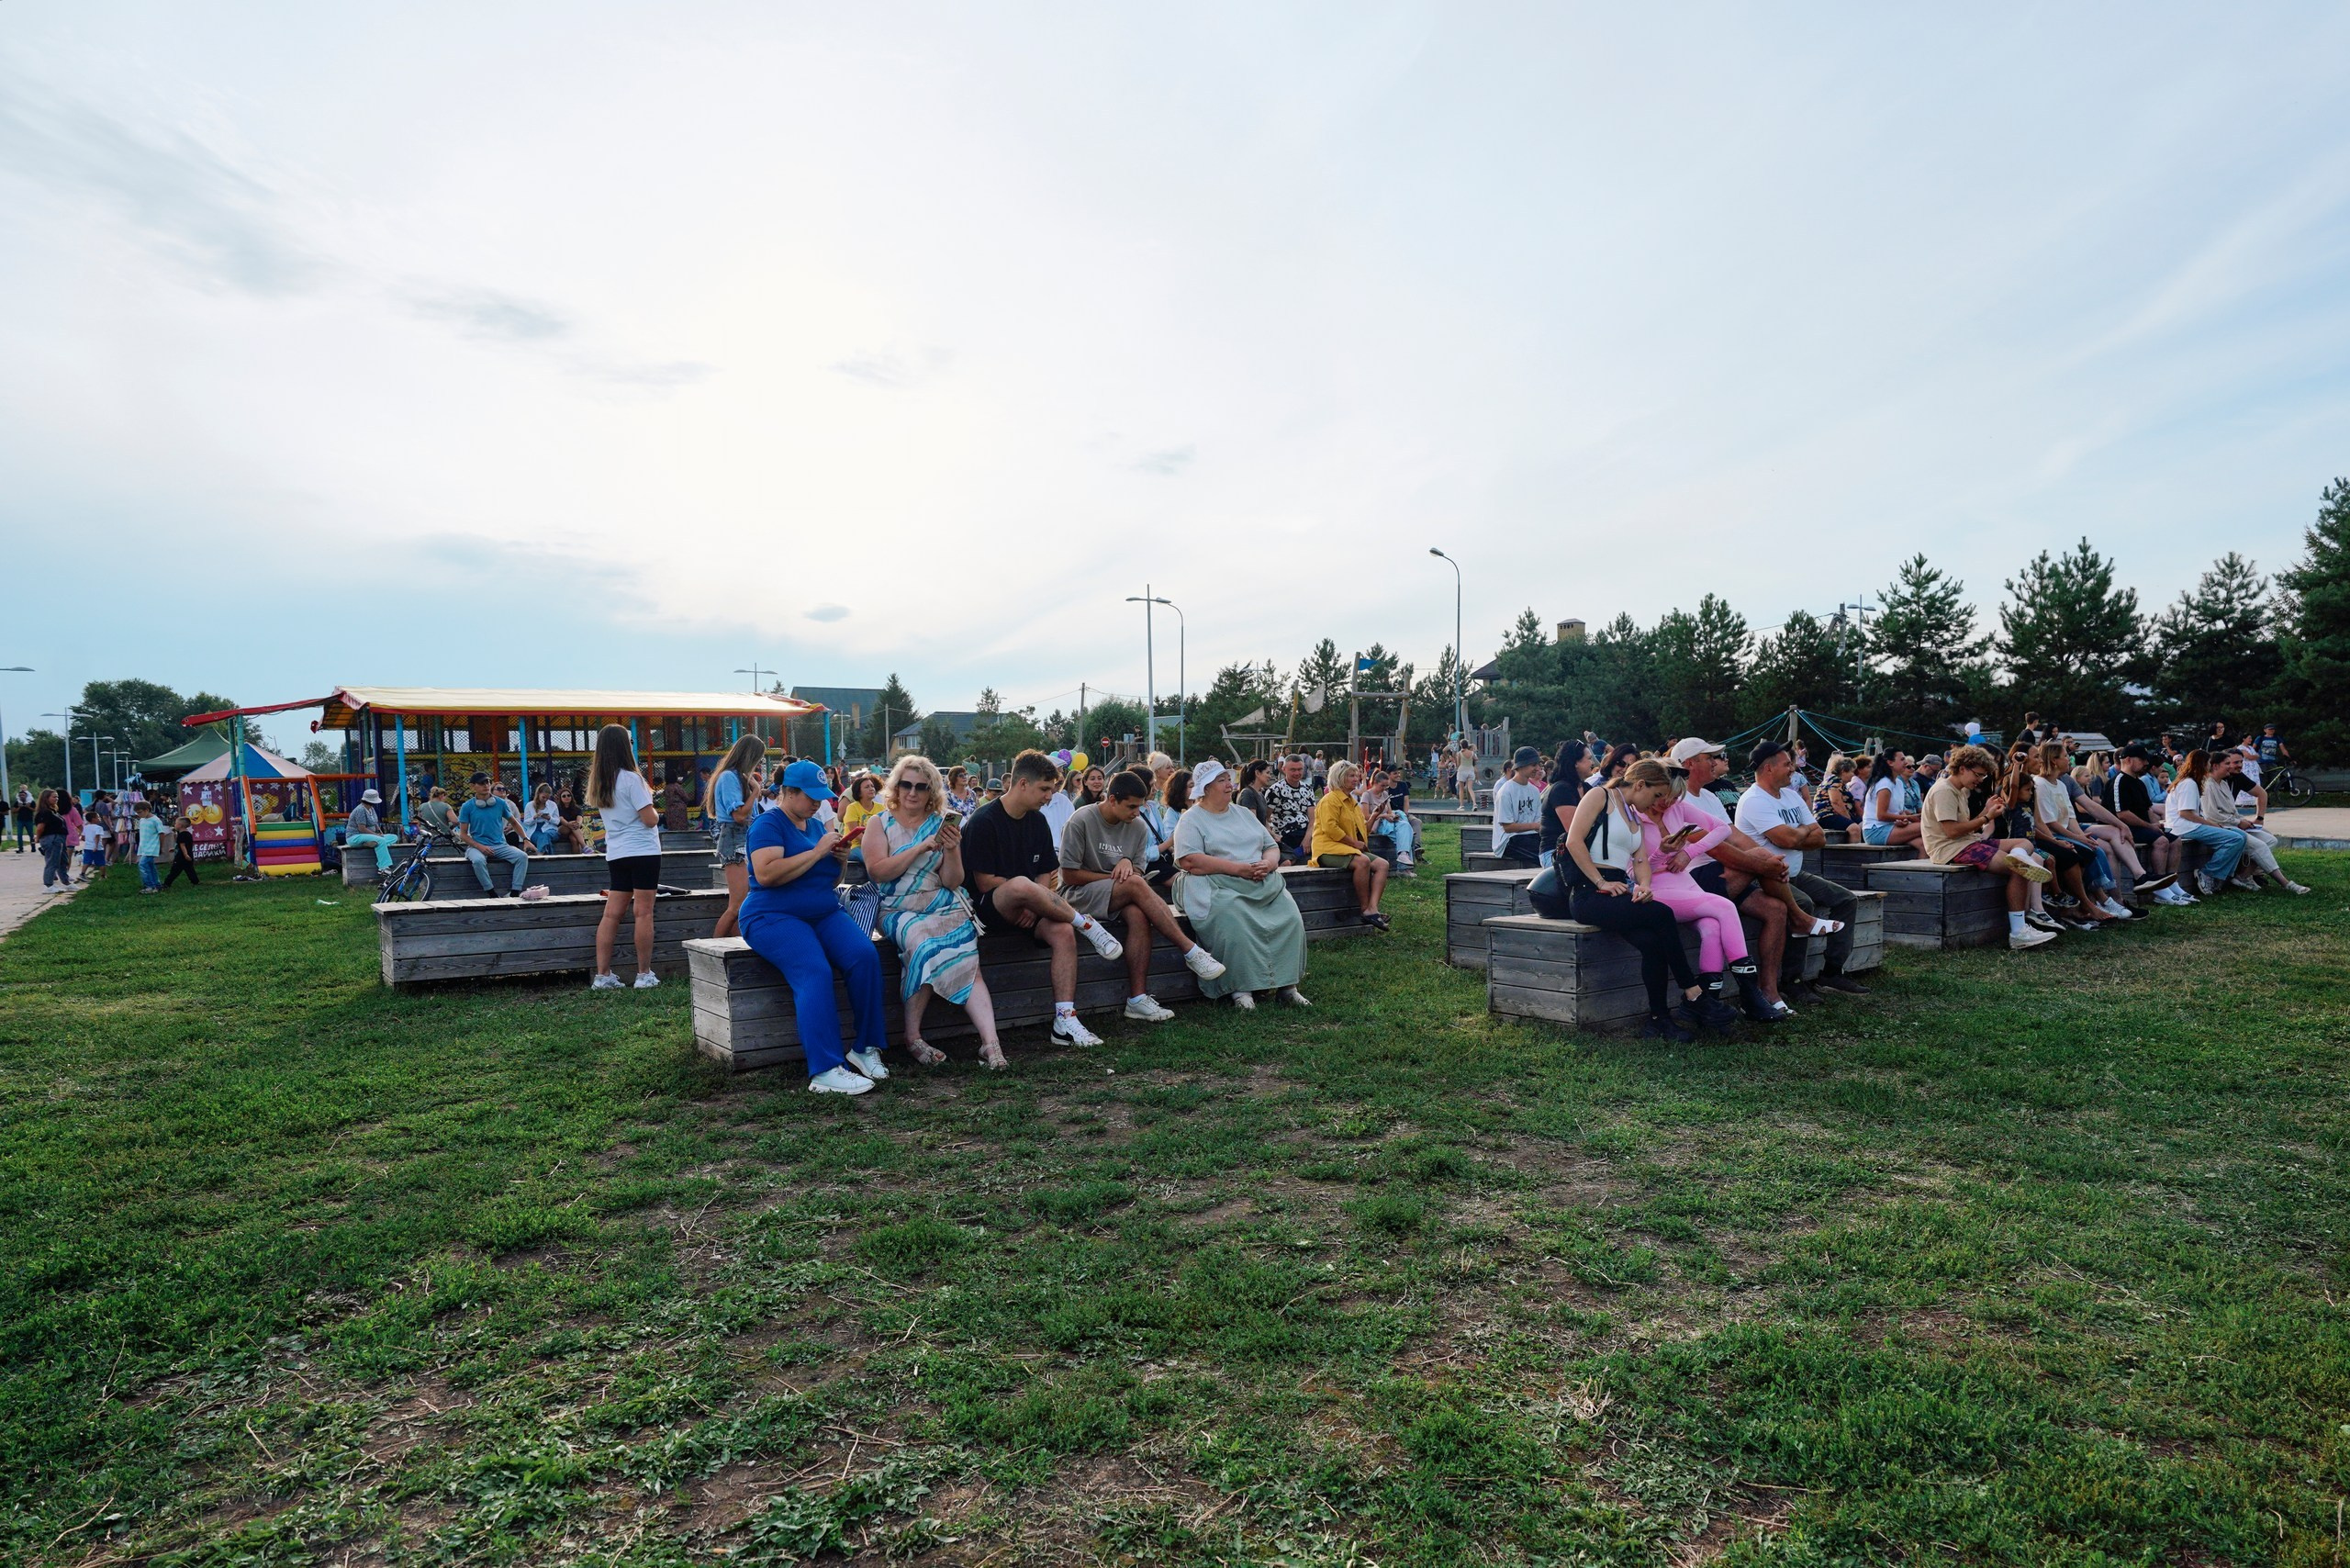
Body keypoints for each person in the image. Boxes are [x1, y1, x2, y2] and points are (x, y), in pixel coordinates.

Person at [739, 759, 891, 1093]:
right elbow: (766, 875)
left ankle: (865, 1048)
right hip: (772, 915)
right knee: (814, 970)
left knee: (864, 956)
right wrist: (820, 850)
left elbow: (828, 880)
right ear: (788, 792)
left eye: (821, 797)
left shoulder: (813, 826)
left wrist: (837, 860)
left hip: (822, 910)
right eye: (810, 796)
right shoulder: (768, 825)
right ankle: (825, 1069)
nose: (817, 803)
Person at [958, 749, 1126, 1048]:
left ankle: (1065, 1021)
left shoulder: (1036, 821)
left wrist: (1033, 903)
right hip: (986, 912)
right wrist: (1028, 896)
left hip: (1029, 908)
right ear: (1022, 784)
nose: (1050, 797)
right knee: (1021, 885)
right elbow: (984, 882)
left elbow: (1046, 874)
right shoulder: (983, 821)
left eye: (1052, 790)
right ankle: (1086, 925)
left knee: (1062, 931)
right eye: (1044, 789)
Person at [1539, 757, 1715, 1040]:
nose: (1658, 802)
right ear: (1641, 784)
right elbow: (1574, 841)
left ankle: (1659, 1021)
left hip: (1618, 890)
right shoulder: (1601, 795)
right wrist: (1600, 881)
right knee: (1663, 914)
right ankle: (1693, 991)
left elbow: (1641, 859)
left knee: (1653, 944)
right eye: (1656, 795)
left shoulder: (1633, 813)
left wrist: (1644, 885)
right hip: (1589, 893)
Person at [864, 755, 1009, 1069]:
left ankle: (991, 1044)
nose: (912, 792)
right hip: (896, 908)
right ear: (896, 787)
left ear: (932, 791)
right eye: (906, 785)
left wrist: (953, 848)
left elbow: (952, 881)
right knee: (925, 945)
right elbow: (878, 872)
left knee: (968, 955)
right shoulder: (879, 823)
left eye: (921, 787)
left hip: (940, 903)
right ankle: (912, 1036)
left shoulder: (940, 824)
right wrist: (919, 848)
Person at [1060, 768, 1229, 1021]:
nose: (1136, 813)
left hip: (1118, 893)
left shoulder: (1138, 826)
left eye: (1140, 807)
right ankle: (1190, 951)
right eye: (1131, 807)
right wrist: (1117, 877)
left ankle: (1137, 999)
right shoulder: (1081, 820)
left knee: (1138, 913)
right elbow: (1070, 875)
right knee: (1136, 886)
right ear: (1112, 799)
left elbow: (1138, 870)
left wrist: (1129, 864)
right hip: (1077, 894)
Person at [1631, 762, 1774, 1025]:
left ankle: (1706, 1002)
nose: (1667, 803)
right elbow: (1632, 872)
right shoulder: (1633, 815)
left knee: (1712, 927)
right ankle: (1749, 992)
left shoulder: (1678, 807)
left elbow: (1721, 829)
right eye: (1663, 796)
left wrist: (1689, 852)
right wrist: (1662, 852)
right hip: (1653, 887)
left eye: (1674, 797)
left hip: (1682, 882)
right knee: (1723, 906)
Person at [1172, 758, 1309, 1011]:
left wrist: (1267, 865)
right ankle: (1240, 988)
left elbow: (1270, 846)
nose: (1229, 784)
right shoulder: (1192, 819)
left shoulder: (1243, 814)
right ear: (1206, 787)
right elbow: (1190, 860)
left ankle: (1287, 986)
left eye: (1228, 779)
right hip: (1216, 883)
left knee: (1290, 916)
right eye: (1221, 781)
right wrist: (1239, 869)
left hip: (1259, 880)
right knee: (1234, 918)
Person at [1733, 742, 1868, 995]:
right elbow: (1787, 840)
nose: (1793, 768)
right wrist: (1802, 832)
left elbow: (1820, 838)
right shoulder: (1753, 800)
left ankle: (1831, 974)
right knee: (1803, 904)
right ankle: (1792, 981)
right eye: (1787, 764)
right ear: (1768, 768)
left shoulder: (1791, 795)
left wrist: (1799, 834)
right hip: (1765, 878)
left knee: (1846, 900)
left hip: (1795, 873)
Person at [1919, 745, 2057, 949]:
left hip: (1965, 842)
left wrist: (1986, 810)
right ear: (1963, 768)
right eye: (1978, 774)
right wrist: (1986, 816)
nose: (1980, 780)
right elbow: (1951, 832)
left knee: (2024, 843)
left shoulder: (1959, 790)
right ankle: (2019, 932)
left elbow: (1963, 829)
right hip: (1950, 849)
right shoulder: (1944, 791)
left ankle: (2020, 858)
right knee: (2019, 869)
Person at [588, 724, 666, 990]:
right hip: (643, 851)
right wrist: (657, 814)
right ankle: (643, 974)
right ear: (624, 746)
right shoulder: (633, 779)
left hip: (617, 853)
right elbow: (649, 819)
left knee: (611, 915)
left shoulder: (600, 782)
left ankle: (603, 975)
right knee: (643, 912)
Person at [2206, 750, 2310, 894]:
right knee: (2259, 846)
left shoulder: (2222, 783)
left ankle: (2243, 876)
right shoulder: (2207, 785)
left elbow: (2234, 808)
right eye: (2229, 763)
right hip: (2221, 826)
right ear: (2215, 766)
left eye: (2237, 762)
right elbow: (2211, 815)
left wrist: (2248, 820)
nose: (2233, 766)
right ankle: (2286, 883)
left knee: (2271, 840)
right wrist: (2238, 822)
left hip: (2233, 823)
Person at [2101, 745, 2191, 905]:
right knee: (2161, 841)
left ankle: (2171, 883)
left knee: (2175, 840)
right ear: (2128, 760)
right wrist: (2150, 827)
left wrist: (2155, 825)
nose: (2146, 763)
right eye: (2142, 760)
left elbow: (2148, 808)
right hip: (2122, 829)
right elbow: (2122, 814)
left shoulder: (2139, 783)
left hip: (2141, 827)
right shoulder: (2118, 782)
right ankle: (2159, 887)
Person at [1310, 760, 1391, 931]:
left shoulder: (1352, 802)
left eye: (1357, 775)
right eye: (1351, 775)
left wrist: (1375, 816)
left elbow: (1363, 831)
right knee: (1363, 862)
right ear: (1339, 778)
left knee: (1383, 865)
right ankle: (1364, 909)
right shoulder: (1330, 800)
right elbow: (1330, 829)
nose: (1357, 778)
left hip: (1349, 848)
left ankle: (1372, 908)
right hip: (1327, 848)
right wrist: (1355, 843)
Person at [707, 734, 767, 940]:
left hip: (744, 839)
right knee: (737, 905)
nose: (758, 764)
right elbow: (740, 815)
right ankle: (713, 949)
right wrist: (755, 792)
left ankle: (735, 944)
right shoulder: (729, 777)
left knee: (744, 905)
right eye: (758, 759)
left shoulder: (738, 777)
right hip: (734, 839)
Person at [454, 771, 532, 897]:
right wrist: (480, 847)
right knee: (478, 861)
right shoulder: (467, 806)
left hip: (500, 845)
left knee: (522, 857)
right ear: (473, 786)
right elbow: (463, 835)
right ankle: (492, 894)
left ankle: (514, 893)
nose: (486, 785)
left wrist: (526, 839)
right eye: (482, 783)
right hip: (477, 846)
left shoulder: (501, 803)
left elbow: (514, 822)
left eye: (488, 782)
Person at [1538, 741, 1592, 867]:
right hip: (1556, 851)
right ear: (1575, 763)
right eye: (1588, 759)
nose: (1592, 763)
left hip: (1578, 849)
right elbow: (1573, 831)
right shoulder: (1561, 789)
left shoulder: (1587, 788)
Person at [1491, 746, 1546, 868]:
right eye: (1533, 765)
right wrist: (1536, 826)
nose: (1537, 769)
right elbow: (1508, 827)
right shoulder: (1506, 791)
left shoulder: (1535, 791)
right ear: (1520, 766)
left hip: (1529, 836)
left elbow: (1538, 820)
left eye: (1538, 765)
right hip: (1507, 841)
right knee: (1543, 856)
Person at [1859, 753, 1922, 848]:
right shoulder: (1884, 784)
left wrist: (1904, 818)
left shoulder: (1899, 783)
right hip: (1876, 831)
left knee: (1922, 844)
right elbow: (1881, 815)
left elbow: (1899, 811)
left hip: (1891, 827)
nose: (1906, 763)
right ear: (1890, 763)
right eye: (1902, 760)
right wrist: (1910, 818)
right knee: (1927, 827)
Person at [1265, 755, 1316, 864]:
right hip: (1286, 833)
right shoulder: (1275, 790)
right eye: (1293, 770)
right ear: (1284, 769)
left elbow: (1313, 819)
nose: (1297, 773)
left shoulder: (1307, 789)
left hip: (1305, 832)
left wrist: (1307, 838)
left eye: (1300, 769)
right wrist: (1273, 835)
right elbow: (1266, 817)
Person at [343, 789, 400, 874]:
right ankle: (383, 867)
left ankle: (371, 843)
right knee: (381, 840)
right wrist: (377, 836)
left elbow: (375, 823)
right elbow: (362, 829)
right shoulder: (360, 810)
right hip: (355, 836)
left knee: (393, 837)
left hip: (369, 836)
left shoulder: (371, 809)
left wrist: (379, 832)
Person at [34, 790, 70, 890]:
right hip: (51, 838)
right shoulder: (44, 812)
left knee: (63, 861)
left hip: (59, 838)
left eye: (57, 797)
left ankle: (66, 882)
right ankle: (48, 885)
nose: (56, 799)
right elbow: (40, 827)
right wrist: (37, 838)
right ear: (46, 798)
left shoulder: (53, 811)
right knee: (52, 862)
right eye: (54, 797)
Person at [521, 784, 564, 854]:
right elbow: (526, 822)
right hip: (534, 830)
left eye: (547, 798)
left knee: (545, 835)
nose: (545, 800)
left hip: (551, 829)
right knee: (544, 838)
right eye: (543, 797)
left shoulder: (553, 805)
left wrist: (549, 818)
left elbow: (557, 821)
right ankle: (548, 857)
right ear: (538, 794)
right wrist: (534, 817)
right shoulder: (529, 805)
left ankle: (540, 854)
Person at [132, 800, 162, 892]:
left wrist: (161, 846)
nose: (139, 814)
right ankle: (156, 884)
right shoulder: (142, 820)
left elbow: (161, 833)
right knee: (150, 866)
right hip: (144, 847)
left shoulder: (155, 820)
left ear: (146, 810)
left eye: (140, 812)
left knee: (143, 865)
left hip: (152, 847)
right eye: (137, 813)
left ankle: (149, 886)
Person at [1234, 758, 1273, 825]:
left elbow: (1264, 822)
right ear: (1257, 773)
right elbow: (1253, 823)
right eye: (1267, 773)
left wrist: (1273, 835)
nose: (1270, 776)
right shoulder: (1247, 793)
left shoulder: (1260, 795)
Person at [164, 812, 199, 887]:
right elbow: (184, 845)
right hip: (189, 854)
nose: (175, 825)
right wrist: (174, 849)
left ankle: (167, 883)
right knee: (190, 869)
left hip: (181, 856)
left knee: (174, 870)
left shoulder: (181, 835)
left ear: (180, 826)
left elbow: (182, 845)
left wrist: (185, 854)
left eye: (176, 823)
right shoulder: (188, 834)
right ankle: (195, 881)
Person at [1454, 743, 1479, 809]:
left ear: (1461, 745)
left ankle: (1462, 805)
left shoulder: (1459, 753)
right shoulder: (1471, 752)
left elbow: (1458, 764)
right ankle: (1474, 804)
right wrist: (1473, 753)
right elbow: (1476, 759)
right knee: (1470, 788)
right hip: (1470, 770)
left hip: (1462, 770)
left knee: (1461, 789)